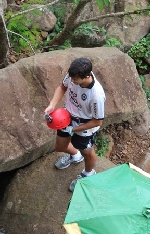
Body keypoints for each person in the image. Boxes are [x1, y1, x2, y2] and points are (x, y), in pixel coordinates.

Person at [44, 56, 106, 192]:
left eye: (75, 79)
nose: (72, 81)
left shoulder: (96, 95)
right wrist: (52, 104)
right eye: (71, 78)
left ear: (87, 76)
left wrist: (74, 129)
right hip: (66, 117)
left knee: (87, 152)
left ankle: (88, 173)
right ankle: (75, 156)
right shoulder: (74, 74)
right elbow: (62, 87)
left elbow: (97, 121)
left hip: (85, 126)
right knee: (60, 146)